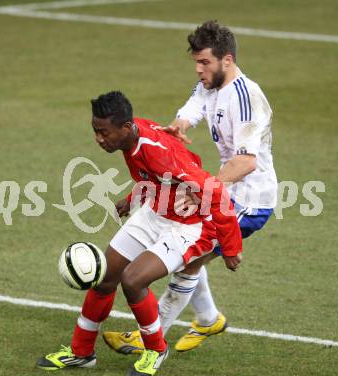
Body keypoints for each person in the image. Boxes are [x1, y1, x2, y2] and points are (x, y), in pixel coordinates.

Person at [36, 91, 243, 376]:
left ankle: (156, 350)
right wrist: (132, 197)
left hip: (187, 226)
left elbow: (215, 190)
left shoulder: (157, 151)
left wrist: (231, 248)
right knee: (106, 276)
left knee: (133, 280)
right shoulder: (132, 136)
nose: (98, 139)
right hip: (154, 212)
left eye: (103, 132)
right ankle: (81, 352)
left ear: (124, 127)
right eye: (95, 131)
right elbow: (155, 177)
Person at [103, 20, 278, 354]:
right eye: (196, 62)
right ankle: (209, 317)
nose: (199, 70)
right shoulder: (212, 84)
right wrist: (178, 125)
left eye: (204, 62)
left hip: (250, 200)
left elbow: (246, 162)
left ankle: (149, 338)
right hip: (226, 189)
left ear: (227, 60)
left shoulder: (246, 98)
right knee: (184, 237)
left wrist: (206, 187)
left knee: (187, 257)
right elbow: (193, 107)